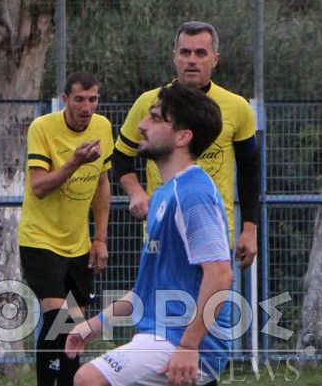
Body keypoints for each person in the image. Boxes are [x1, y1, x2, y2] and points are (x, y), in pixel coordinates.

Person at [66, 82, 234, 386]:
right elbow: (147, 292)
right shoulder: (165, 194)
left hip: (183, 342)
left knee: (88, 379)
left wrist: (188, 345)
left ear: (183, 136)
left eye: (156, 118)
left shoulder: (192, 194)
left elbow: (221, 274)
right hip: (164, 336)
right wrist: (96, 324)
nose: (142, 125)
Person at [112, 21, 260, 269]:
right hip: (161, 229)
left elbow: (249, 168)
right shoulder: (149, 103)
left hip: (215, 230)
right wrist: (135, 192)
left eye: (200, 53)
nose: (192, 60)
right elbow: (120, 155)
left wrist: (249, 230)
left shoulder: (237, 107)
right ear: (174, 57)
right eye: (185, 52)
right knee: (158, 303)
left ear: (215, 59)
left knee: (211, 302)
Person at [18, 71, 113, 386]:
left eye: (93, 99)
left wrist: (99, 240)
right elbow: (39, 187)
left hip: (79, 244)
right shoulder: (42, 128)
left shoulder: (102, 127)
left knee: (76, 327)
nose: (87, 107)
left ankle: (71, 382)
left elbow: (102, 183)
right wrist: (74, 163)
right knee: (57, 320)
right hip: (40, 240)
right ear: (65, 100)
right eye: (79, 99)